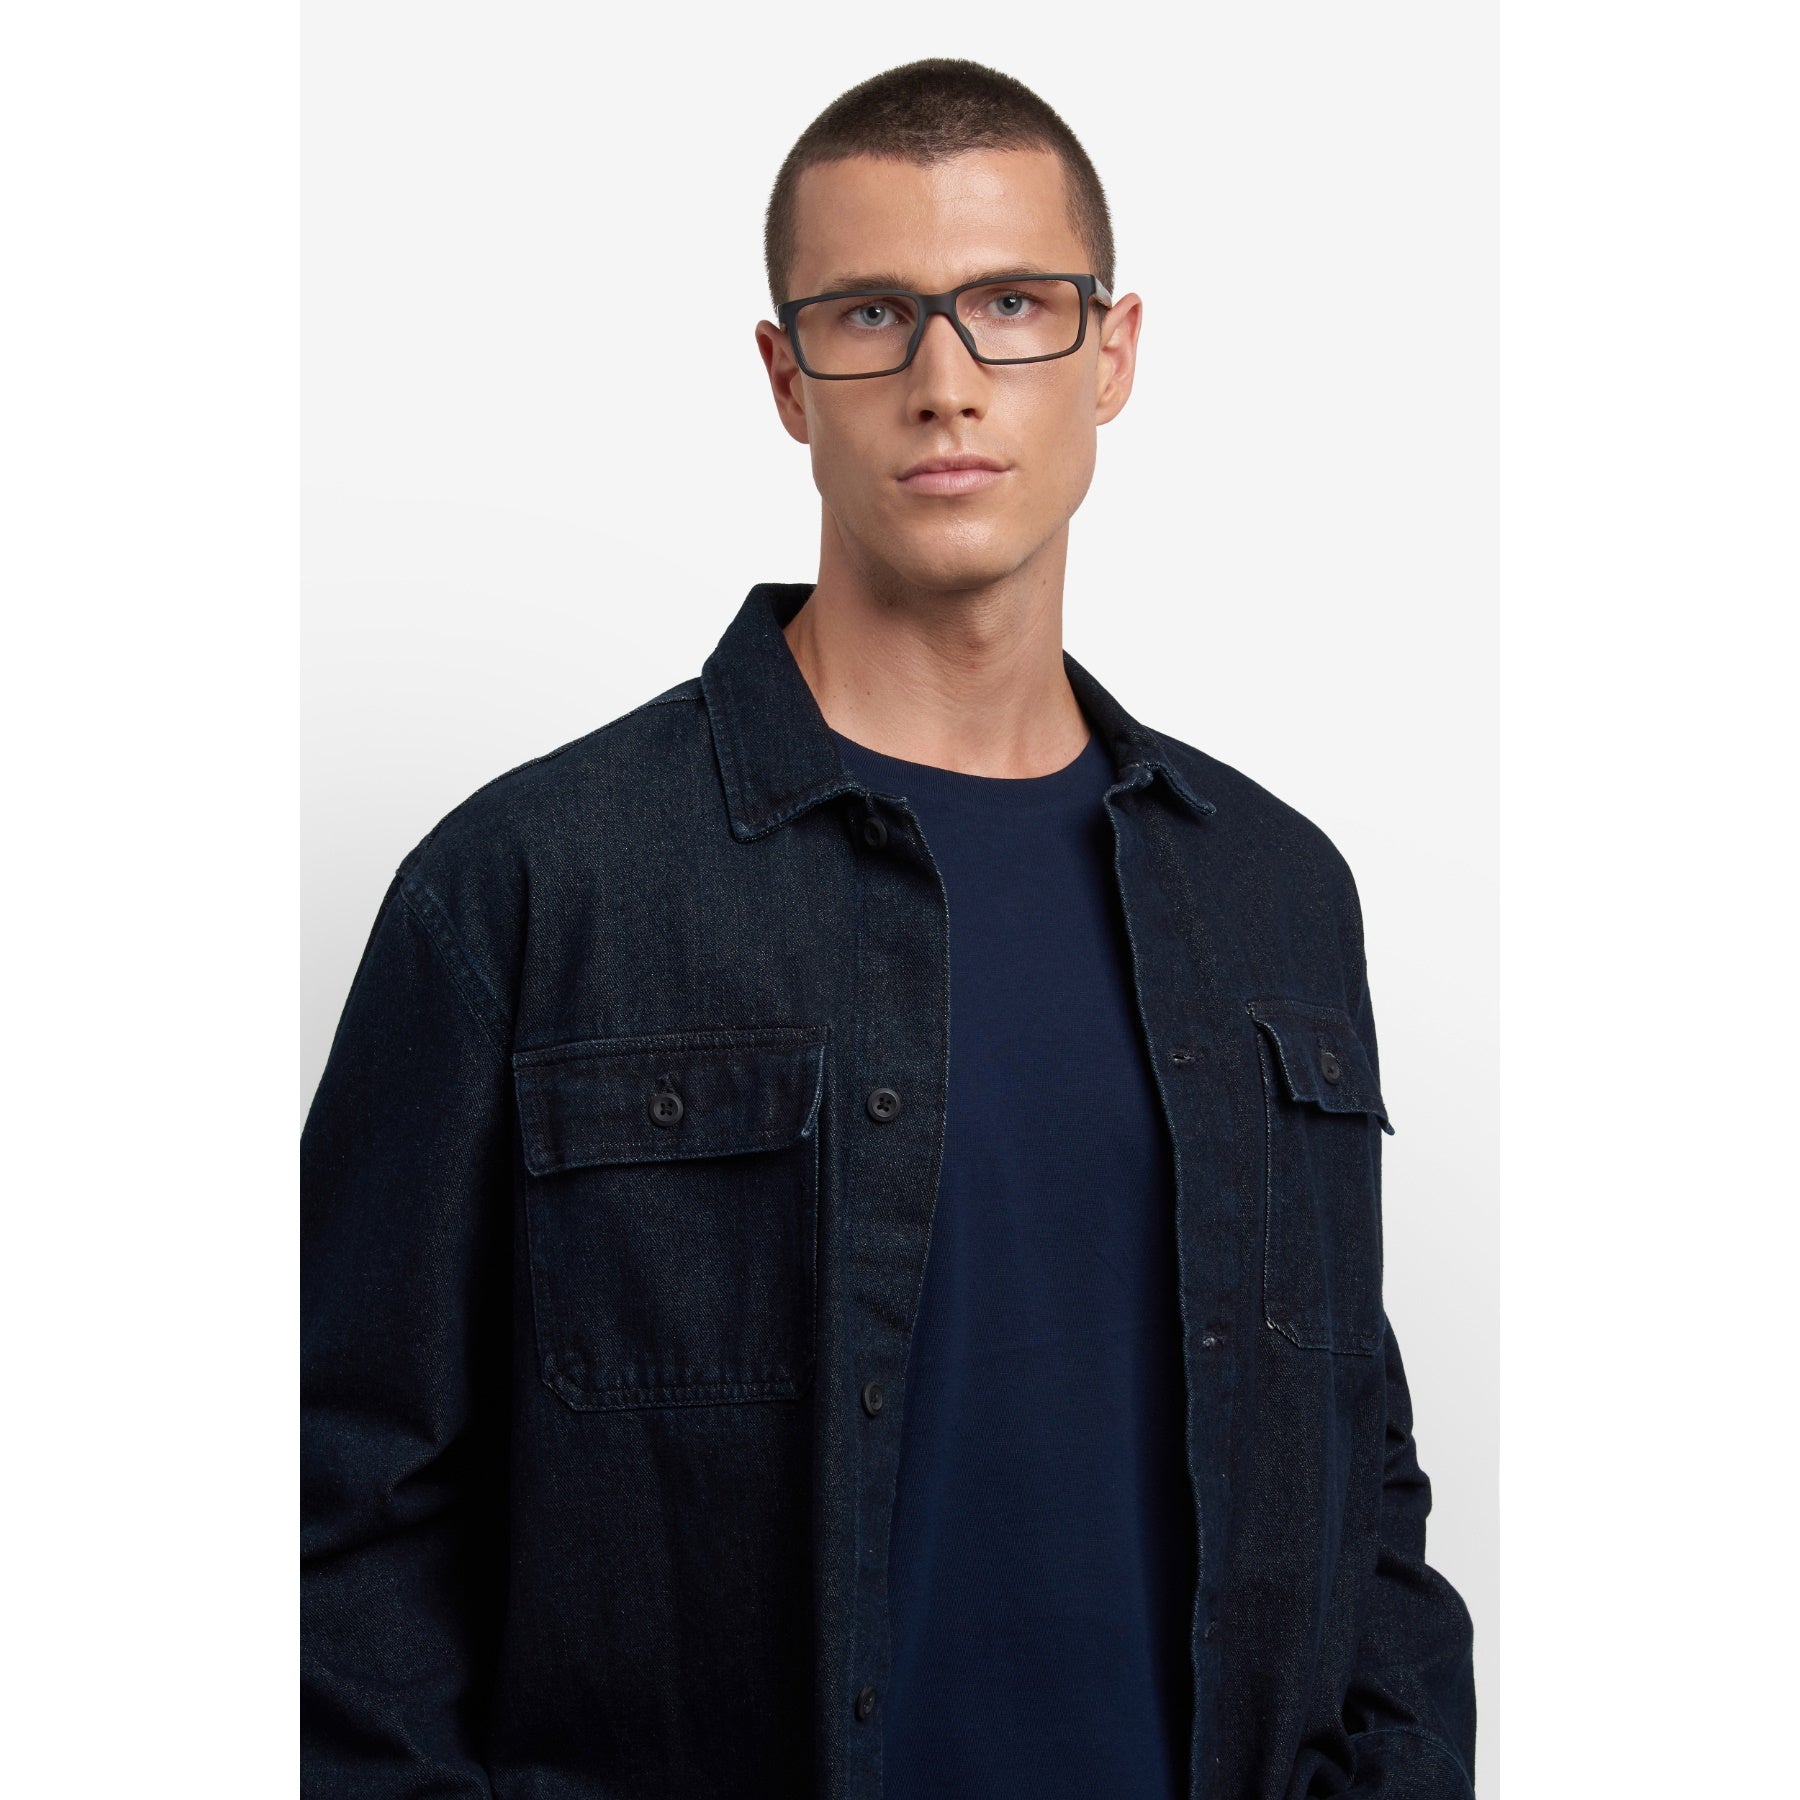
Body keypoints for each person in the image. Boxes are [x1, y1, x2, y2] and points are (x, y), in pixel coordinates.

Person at [301, 56, 1477, 1800]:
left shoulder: (1277, 895)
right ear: (787, 378)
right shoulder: (531, 888)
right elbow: (332, 1513)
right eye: (871, 314)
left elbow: (1356, 1469)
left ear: (1112, 353)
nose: (946, 382)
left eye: (1012, 305)